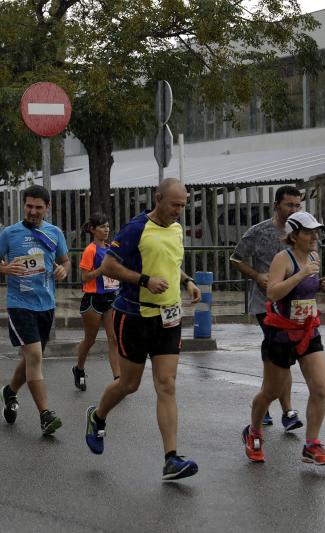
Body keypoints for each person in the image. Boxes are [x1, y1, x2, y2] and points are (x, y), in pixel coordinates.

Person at [83, 178, 202, 481]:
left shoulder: (176, 229)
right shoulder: (136, 228)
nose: (179, 211)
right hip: (134, 317)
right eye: (175, 204)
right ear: (158, 198)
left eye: (183, 205)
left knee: (167, 384)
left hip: (169, 318)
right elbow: (109, 266)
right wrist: (144, 280)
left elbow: (171, 263)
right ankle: (97, 417)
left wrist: (187, 281)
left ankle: (171, 459)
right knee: (129, 385)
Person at [242, 211, 325, 466]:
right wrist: (302, 274)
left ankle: (312, 444)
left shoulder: (314, 256)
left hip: (308, 331)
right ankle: (254, 432)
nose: (315, 236)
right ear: (294, 235)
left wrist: (318, 284)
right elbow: (272, 292)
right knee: (270, 392)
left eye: (317, 231)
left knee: (320, 389)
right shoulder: (283, 259)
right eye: (309, 232)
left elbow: (304, 290)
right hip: (281, 334)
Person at [0, 185, 70, 436]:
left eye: (38, 207)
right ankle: (45, 415)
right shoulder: (10, 233)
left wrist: (63, 270)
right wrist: (5, 269)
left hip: (46, 304)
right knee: (35, 356)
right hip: (19, 304)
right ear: (24, 206)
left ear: (47, 208)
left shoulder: (54, 233)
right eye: (29, 206)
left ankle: (10, 391)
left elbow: (64, 260)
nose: (32, 211)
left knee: (31, 359)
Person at [231, 186, 304, 430]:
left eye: (297, 206)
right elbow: (236, 258)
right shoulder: (259, 231)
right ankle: (288, 411)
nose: (294, 210)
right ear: (276, 205)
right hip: (267, 304)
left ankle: (264, 407)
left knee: (276, 357)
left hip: (295, 305)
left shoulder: (304, 232)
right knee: (281, 356)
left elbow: (312, 263)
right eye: (289, 205)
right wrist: (256, 275)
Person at [72, 213, 120, 391]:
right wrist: (102, 270)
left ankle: (117, 378)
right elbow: (84, 278)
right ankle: (79, 369)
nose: (106, 229)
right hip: (93, 299)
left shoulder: (110, 248)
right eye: (102, 226)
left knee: (113, 338)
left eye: (107, 226)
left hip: (110, 297)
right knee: (90, 340)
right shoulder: (90, 250)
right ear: (93, 230)